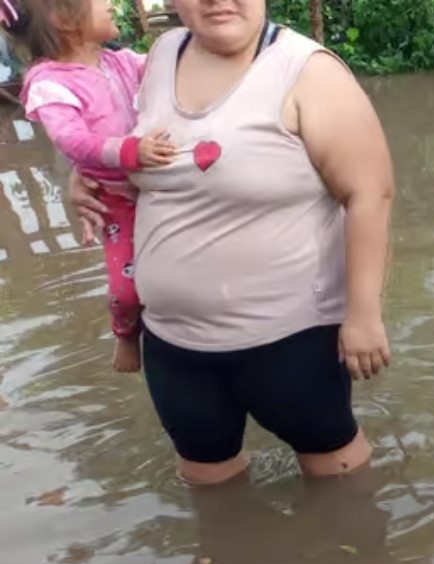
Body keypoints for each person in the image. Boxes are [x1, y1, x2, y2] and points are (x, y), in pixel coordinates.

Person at [69, 0, 394, 484]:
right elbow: (119, 149)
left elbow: (370, 193)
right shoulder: (159, 57)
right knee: (210, 493)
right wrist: (82, 178)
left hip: (291, 340)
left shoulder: (307, 72)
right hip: (173, 345)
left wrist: (364, 316)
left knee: (341, 488)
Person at [3, 0, 178, 372]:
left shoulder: (117, 60)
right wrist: (128, 151)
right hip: (115, 195)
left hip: (158, 184)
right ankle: (125, 333)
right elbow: (71, 140)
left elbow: (164, 69)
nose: (112, 4)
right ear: (63, 18)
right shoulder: (50, 82)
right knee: (126, 290)